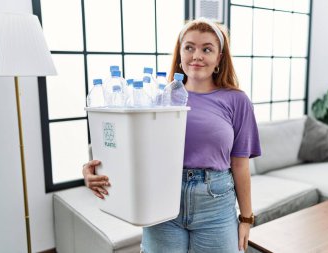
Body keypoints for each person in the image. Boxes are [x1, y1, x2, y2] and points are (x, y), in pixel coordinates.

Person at [82, 17, 261, 253]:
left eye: (207, 49)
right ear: (180, 55)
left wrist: (246, 219)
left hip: (215, 205)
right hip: (161, 200)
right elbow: (131, 151)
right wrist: (94, 170)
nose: (197, 55)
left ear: (219, 58)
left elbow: (240, 165)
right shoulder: (158, 99)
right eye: (189, 47)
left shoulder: (237, 101)